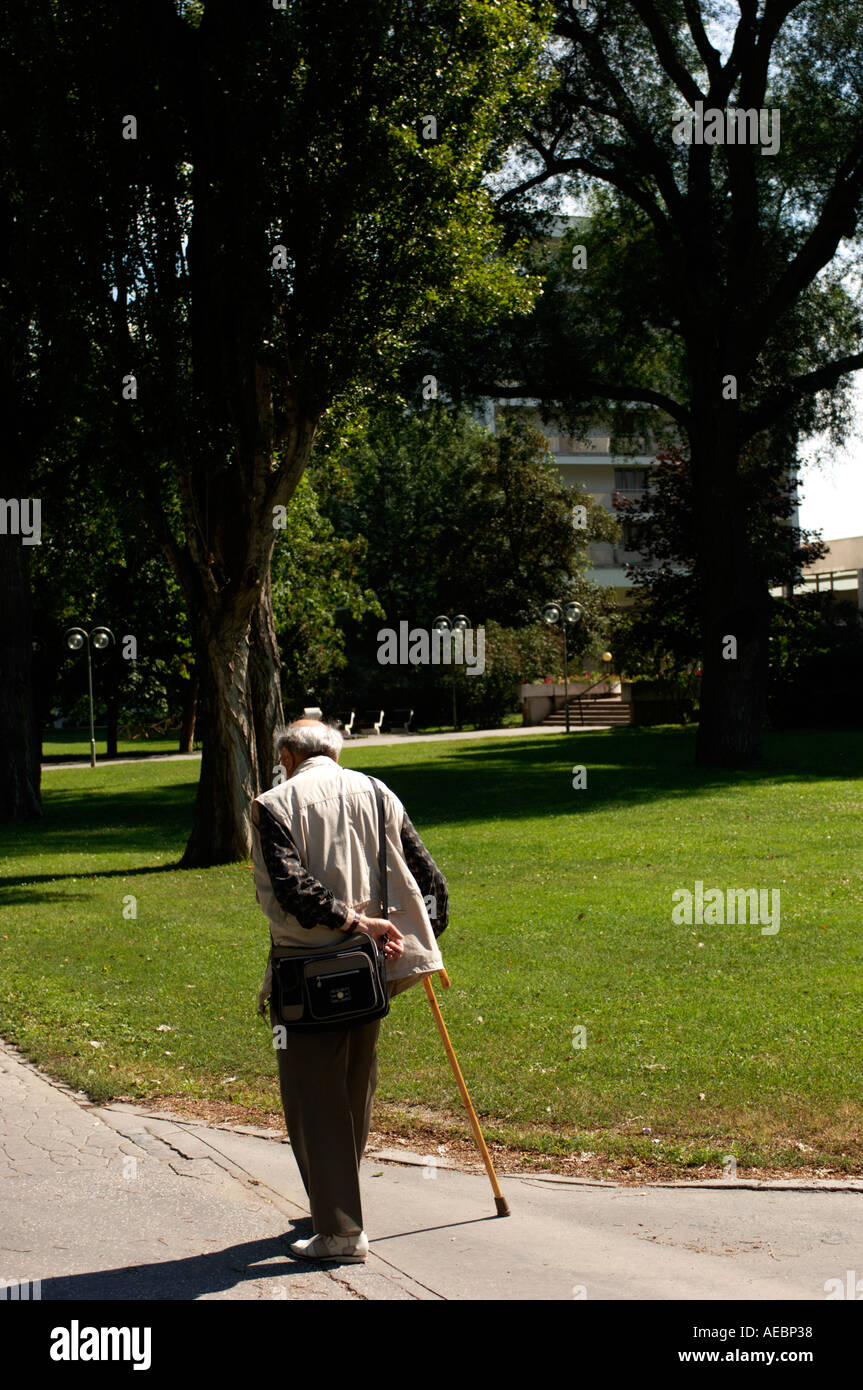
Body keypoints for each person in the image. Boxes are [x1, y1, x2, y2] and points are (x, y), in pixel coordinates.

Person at [251, 717, 448, 1264]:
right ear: (333, 753)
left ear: (288, 756)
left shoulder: (275, 803)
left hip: (309, 968)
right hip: (370, 967)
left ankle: (340, 1231)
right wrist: (407, 938)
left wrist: (358, 924)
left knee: (313, 1099)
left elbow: (295, 892)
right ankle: (335, 1200)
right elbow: (430, 881)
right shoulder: (378, 792)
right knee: (354, 1085)